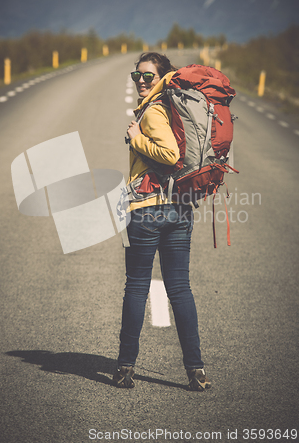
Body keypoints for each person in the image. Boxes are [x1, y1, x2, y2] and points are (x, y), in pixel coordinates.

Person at [113, 52, 211, 392]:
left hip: (149, 210)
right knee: (180, 289)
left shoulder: (154, 110)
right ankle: (195, 371)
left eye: (148, 76)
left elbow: (170, 154)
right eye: (136, 76)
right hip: (179, 209)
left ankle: (125, 368)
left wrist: (135, 137)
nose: (140, 81)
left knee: (138, 286)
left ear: (163, 78)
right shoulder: (174, 107)